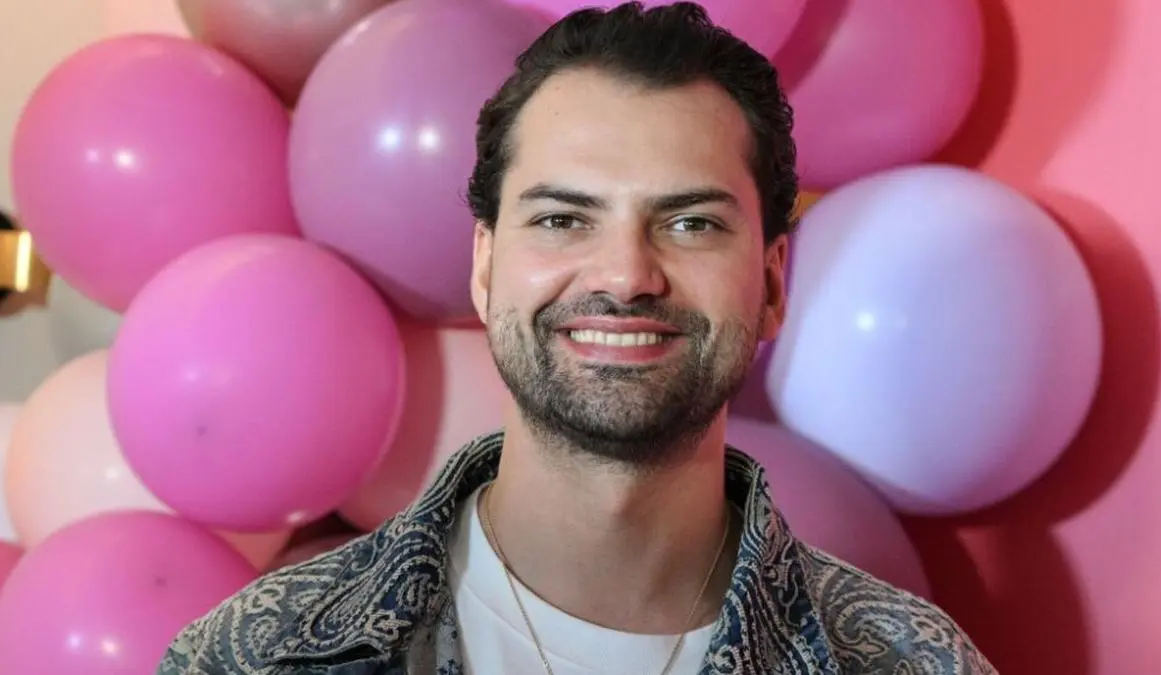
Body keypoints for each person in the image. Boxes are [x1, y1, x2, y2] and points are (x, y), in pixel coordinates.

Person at [157, 2, 996, 673]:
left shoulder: (913, 662)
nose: (625, 275)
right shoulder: (256, 657)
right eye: (563, 219)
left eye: (692, 222)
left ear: (773, 283)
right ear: (486, 268)